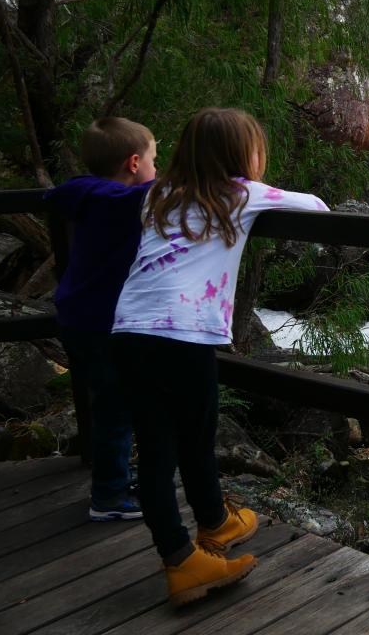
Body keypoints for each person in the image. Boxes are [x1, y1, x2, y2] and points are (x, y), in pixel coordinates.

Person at [109, 107, 328, 607]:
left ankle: (196, 538)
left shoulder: (157, 194)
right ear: (238, 157)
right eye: (255, 149)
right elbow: (317, 208)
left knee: (158, 446)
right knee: (194, 434)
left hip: (128, 328)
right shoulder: (242, 194)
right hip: (182, 335)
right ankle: (198, 542)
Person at [46, 117, 157, 521]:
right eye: (153, 160)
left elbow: (62, 192)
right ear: (133, 163)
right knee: (116, 408)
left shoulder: (84, 194)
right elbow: (156, 193)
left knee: (109, 402)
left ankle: (113, 478)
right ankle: (108, 497)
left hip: (76, 316)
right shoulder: (122, 203)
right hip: (102, 322)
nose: (155, 169)